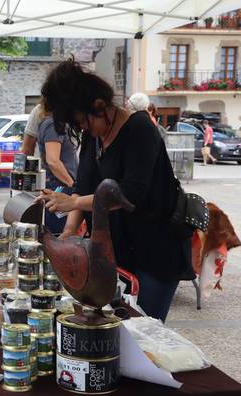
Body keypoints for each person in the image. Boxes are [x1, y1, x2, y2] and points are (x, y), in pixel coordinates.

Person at [37, 59, 190, 322]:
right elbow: (81, 187)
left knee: (145, 330)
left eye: (83, 120)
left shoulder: (140, 129)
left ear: (99, 105)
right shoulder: (93, 135)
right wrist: (69, 233)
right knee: (117, 326)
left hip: (157, 251)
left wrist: (72, 204)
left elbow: (129, 194)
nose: (83, 128)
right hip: (120, 251)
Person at [36, 102, 78, 235]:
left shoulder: (51, 122)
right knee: (59, 234)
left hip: (59, 184)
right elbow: (53, 161)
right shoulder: (53, 124)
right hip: (60, 186)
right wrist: (72, 185)